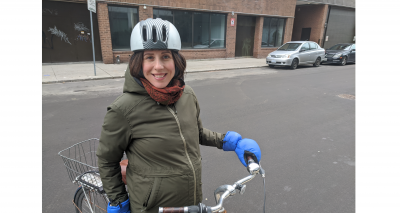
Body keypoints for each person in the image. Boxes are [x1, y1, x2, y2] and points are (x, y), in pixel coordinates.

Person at [96, 18, 261, 213]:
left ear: (176, 60)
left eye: (165, 56)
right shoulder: (123, 109)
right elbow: (107, 160)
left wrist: (229, 141)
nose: (158, 66)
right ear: (138, 63)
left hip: (192, 201)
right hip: (153, 208)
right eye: (149, 57)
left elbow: (196, 132)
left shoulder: (186, 94)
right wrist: (118, 201)